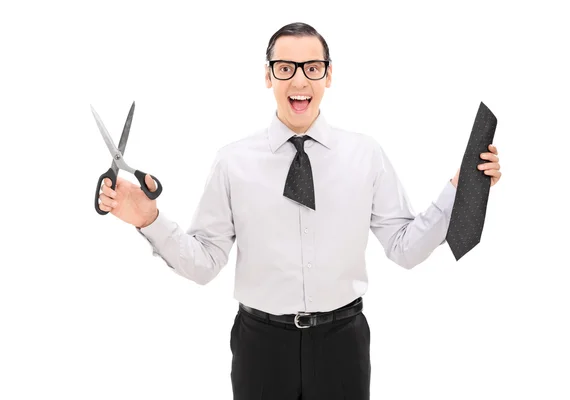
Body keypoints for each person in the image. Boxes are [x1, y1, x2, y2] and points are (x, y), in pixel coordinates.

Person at [96, 22, 502, 400]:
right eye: (286, 67)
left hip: (343, 342)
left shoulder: (366, 155)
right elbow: (204, 264)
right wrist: (148, 219)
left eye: (312, 67)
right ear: (268, 75)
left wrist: (460, 188)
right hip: (261, 345)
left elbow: (405, 249)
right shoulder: (232, 162)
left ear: (328, 74)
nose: (300, 79)